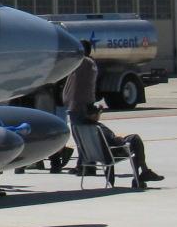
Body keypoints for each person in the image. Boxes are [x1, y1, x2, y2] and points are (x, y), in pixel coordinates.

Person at [65, 40, 162, 184]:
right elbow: (88, 88)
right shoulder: (88, 64)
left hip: (75, 111)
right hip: (109, 151)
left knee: (81, 139)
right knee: (134, 139)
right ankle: (142, 173)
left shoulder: (73, 66)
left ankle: (85, 166)